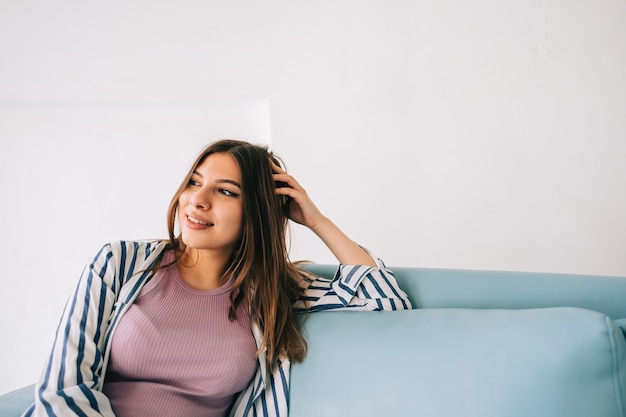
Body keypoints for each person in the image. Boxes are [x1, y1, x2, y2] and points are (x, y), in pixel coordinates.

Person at [23, 139, 412, 417]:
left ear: (257, 212)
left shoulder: (275, 295)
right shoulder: (119, 263)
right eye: (194, 182)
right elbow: (64, 390)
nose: (197, 199)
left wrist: (317, 220)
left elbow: (385, 299)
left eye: (224, 191)